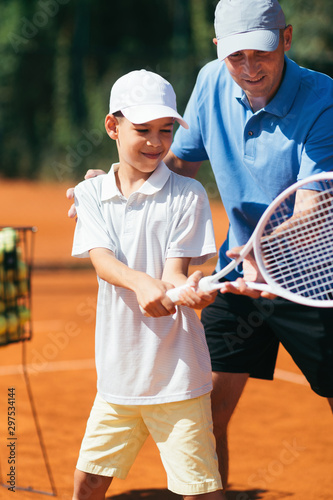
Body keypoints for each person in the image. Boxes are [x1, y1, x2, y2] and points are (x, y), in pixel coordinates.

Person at [67, 0, 333, 493]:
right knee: (206, 413)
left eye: (262, 52)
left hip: (309, 278)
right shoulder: (212, 80)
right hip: (238, 273)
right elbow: (177, 166)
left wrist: (263, 253)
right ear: (218, 50)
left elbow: (312, 209)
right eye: (236, 57)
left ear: (287, 39)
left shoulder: (324, 100)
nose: (249, 68)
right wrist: (118, 181)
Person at [70, 69, 225, 500]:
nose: (156, 142)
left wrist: (190, 289)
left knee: (200, 491)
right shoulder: (89, 194)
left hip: (178, 379)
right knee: (88, 482)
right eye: (142, 130)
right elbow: (102, 262)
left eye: (166, 130)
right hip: (117, 379)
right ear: (112, 126)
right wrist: (141, 283)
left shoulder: (189, 193)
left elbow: (176, 273)